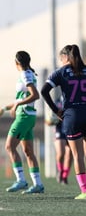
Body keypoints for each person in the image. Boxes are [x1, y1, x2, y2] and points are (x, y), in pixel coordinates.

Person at [41, 44, 86, 199]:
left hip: (72, 116)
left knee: (77, 155)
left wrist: (56, 110)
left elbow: (44, 91)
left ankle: (84, 191)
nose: (60, 62)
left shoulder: (61, 72)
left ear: (65, 57)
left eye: (61, 58)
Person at [1, 51, 44, 194]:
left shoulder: (25, 74)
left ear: (16, 63)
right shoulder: (28, 74)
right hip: (27, 116)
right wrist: (6, 107)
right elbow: (21, 98)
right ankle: (38, 184)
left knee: (9, 146)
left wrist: (17, 106)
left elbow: (35, 95)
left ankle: (21, 180)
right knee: (28, 151)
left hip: (24, 117)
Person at [44, 96, 72, 185]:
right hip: (60, 129)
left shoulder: (73, 99)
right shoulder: (57, 101)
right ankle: (60, 170)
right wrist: (51, 120)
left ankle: (65, 176)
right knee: (61, 153)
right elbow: (49, 118)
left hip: (71, 128)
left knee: (70, 154)